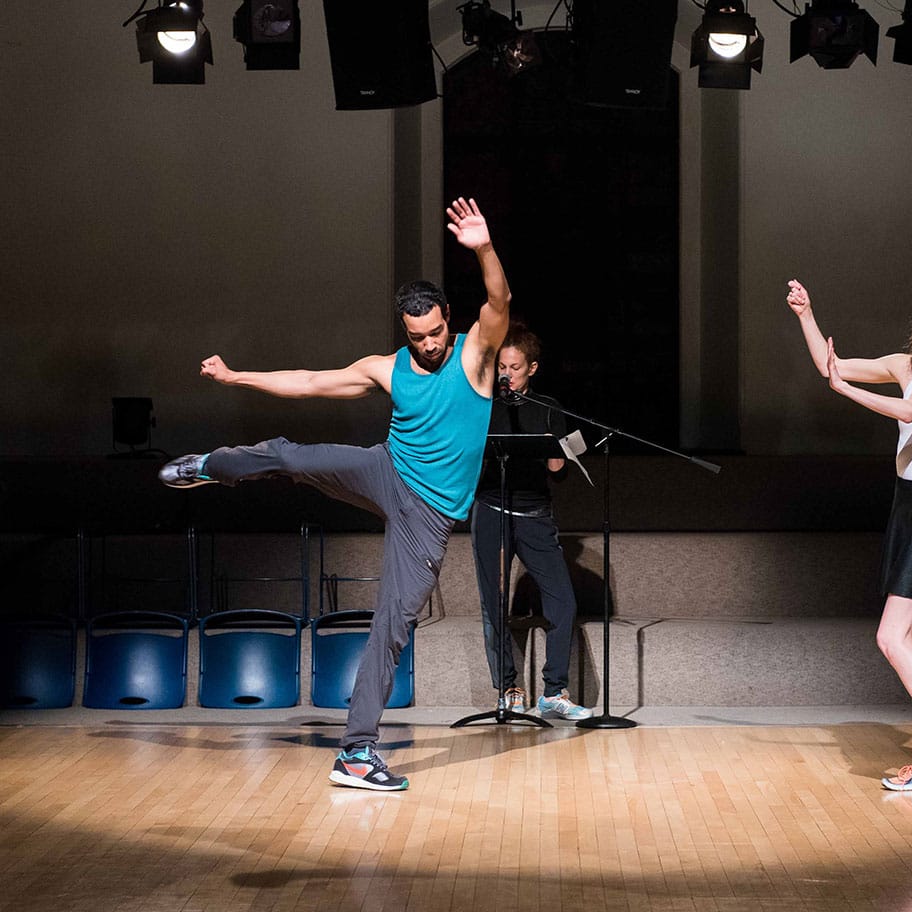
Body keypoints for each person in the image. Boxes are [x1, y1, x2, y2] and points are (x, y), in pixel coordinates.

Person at [158, 197, 510, 791]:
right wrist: (236, 376)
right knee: (291, 454)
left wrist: (482, 248)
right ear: (405, 329)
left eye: (435, 331)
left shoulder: (475, 356)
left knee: (391, 624)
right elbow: (311, 383)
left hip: (428, 517)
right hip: (385, 471)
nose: (429, 344)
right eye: (417, 335)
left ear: (448, 317)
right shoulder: (386, 367)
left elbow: (498, 301)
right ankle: (212, 467)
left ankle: (355, 754)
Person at [786, 278, 912, 800]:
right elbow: (832, 366)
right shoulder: (905, 366)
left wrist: (847, 392)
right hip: (908, 506)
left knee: (891, 638)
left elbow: (910, 412)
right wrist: (807, 315)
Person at [471, 323, 591, 721]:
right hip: (491, 511)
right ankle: (508, 688)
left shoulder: (549, 407)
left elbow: (558, 471)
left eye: (515, 367)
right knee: (494, 604)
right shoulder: (483, 404)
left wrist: (558, 452)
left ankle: (554, 692)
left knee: (563, 602)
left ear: (532, 368)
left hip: (535, 515)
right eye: (501, 366)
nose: (506, 374)